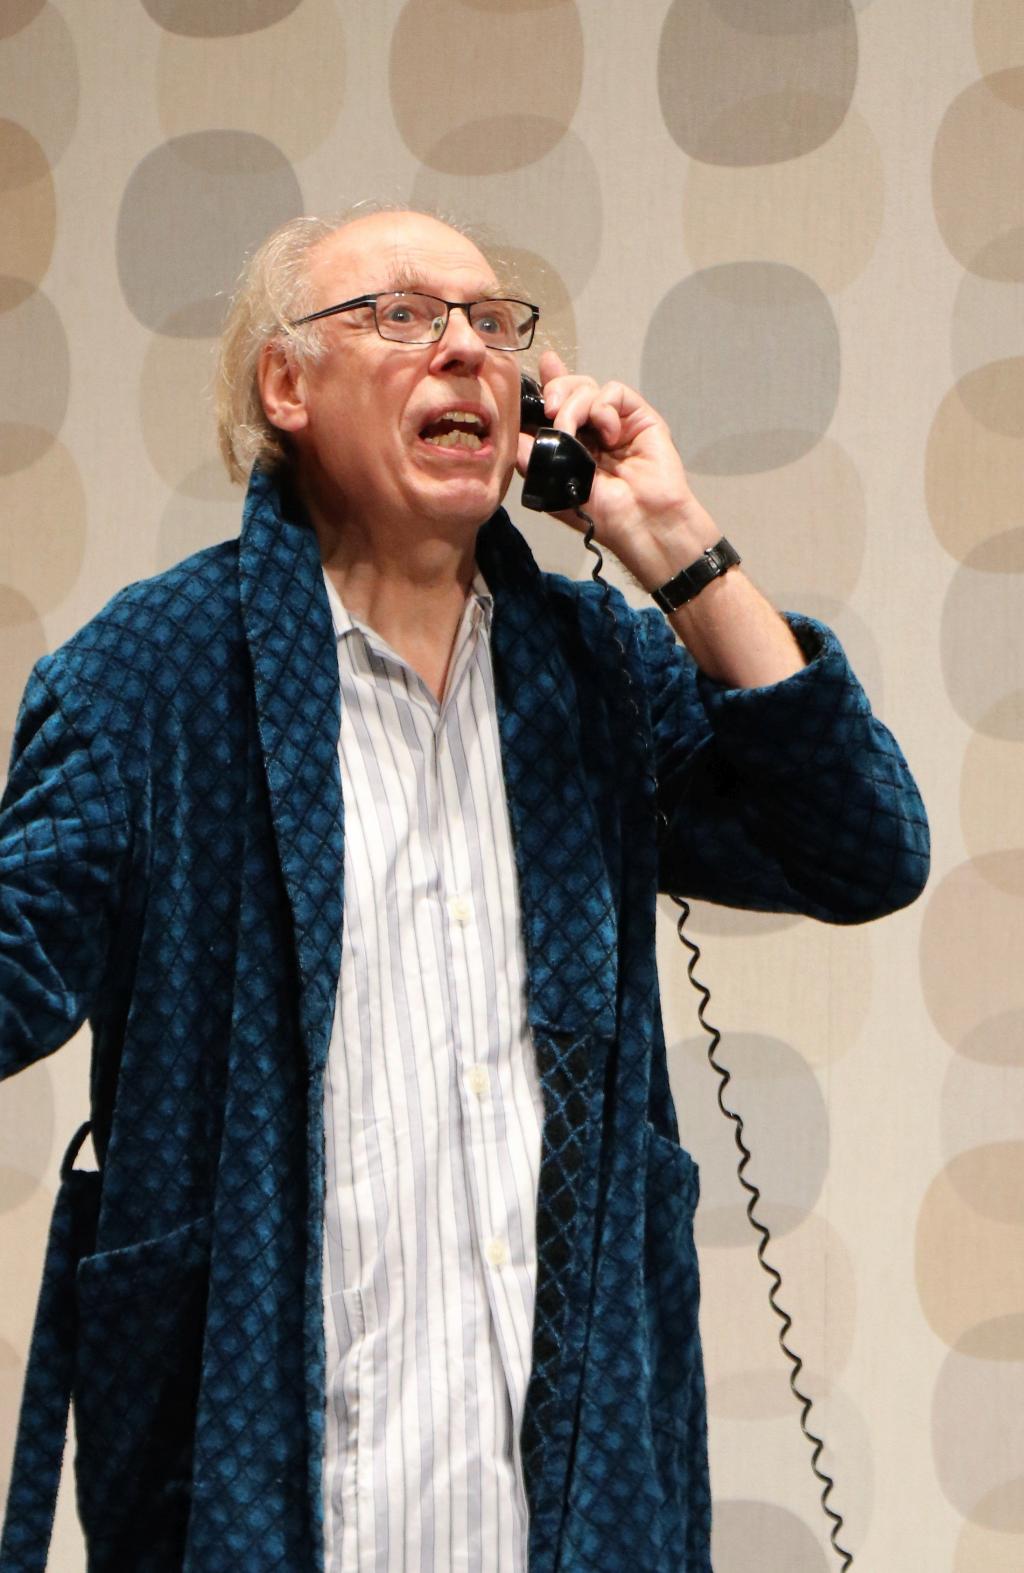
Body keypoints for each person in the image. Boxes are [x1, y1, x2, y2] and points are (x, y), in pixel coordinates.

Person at [0, 207, 929, 1573]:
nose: (465, 350)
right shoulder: (147, 677)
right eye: (403, 315)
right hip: (271, 1491)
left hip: (571, 1508)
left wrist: (674, 539)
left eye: (494, 323)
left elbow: (865, 848)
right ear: (286, 385)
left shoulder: (595, 666)